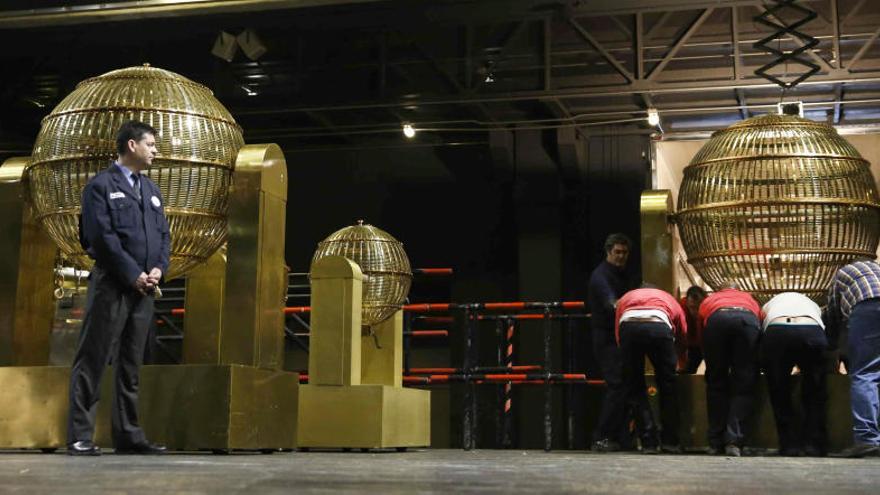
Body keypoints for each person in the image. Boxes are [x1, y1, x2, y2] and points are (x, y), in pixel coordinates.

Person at [66, 120, 170, 456]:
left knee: (130, 364)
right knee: (93, 359)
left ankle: (128, 434)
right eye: (151, 144)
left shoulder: (151, 191)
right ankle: (80, 435)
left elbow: (164, 237)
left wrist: (157, 269)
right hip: (112, 286)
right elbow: (100, 238)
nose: (155, 150)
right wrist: (131, 273)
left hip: (144, 291)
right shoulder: (100, 186)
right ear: (131, 146)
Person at [615, 286, 687, 453]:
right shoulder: (667, 297)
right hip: (659, 326)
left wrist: (625, 353)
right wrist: (681, 360)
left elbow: (618, 329)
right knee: (667, 385)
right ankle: (670, 442)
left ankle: (648, 441)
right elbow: (682, 329)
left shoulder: (627, 296)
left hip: (629, 326)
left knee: (635, 386)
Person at [759, 292, 828, 457]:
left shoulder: (770, 304)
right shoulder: (811, 303)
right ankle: (813, 444)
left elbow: (760, 329)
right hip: (811, 328)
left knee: (779, 389)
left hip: (778, 329)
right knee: (815, 389)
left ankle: (789, 445)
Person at [698, 282, 762, 457]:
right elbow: (758, 324)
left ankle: (715, 442)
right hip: (746, 321)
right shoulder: (749, 299)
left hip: (716, 321)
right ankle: (734, 441)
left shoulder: (711, 299)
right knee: (744, 383)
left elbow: (701, 330)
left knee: (716, 383)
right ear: (738, 290)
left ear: (721, 291)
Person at [826, 260, 880, 458]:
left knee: (865, 373)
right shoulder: (877, 269)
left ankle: (867, 439)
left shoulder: (842, 274)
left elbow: (833, 313)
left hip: (867, 307)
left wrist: (830, 345)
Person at [587, 233, 633, 451]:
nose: (621, 256)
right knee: (617, 385)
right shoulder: (601, 276)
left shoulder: (619, 274)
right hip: (606, 337)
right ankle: (602, 436)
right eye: (617, 252)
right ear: (608, 252)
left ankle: (617, 437)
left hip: (617, 336)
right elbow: (611, 304)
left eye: (624, 253)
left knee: (623, 387)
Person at [679, 286, 707, 373]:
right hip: (691, 343)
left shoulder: (709, 305)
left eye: (698, 307)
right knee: (688, 370)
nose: (695, 311)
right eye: (692, 307)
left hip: (708, 342)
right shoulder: (681, 307)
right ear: (686, 302)